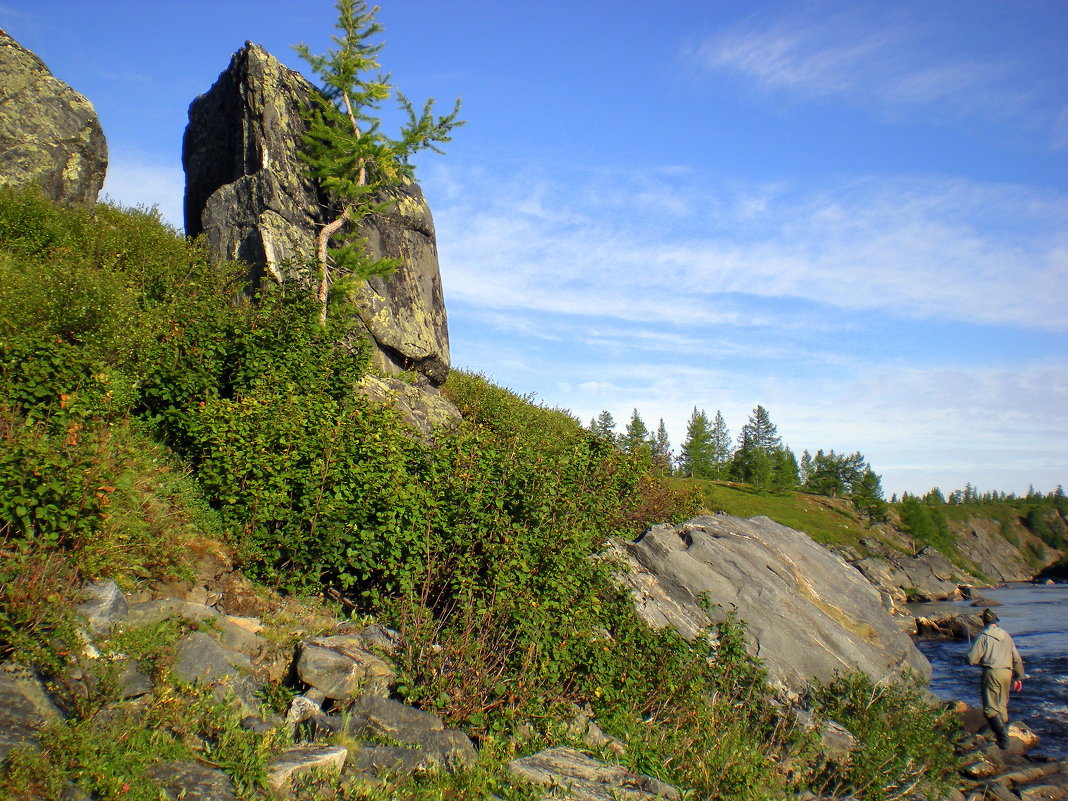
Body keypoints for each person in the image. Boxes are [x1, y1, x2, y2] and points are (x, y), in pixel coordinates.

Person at [967, 607, 1024, 749]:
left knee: (990, 709)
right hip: (1007, 673)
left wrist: (969, 656)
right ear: (996, 621)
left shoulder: (983, 636)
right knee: (1002, 705)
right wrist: (1018, 677)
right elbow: (1016, 658)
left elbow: (972, 660)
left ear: (983, 622)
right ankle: (1002, 740)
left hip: (992, 672)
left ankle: (1003, 738)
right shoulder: (1006, 635)